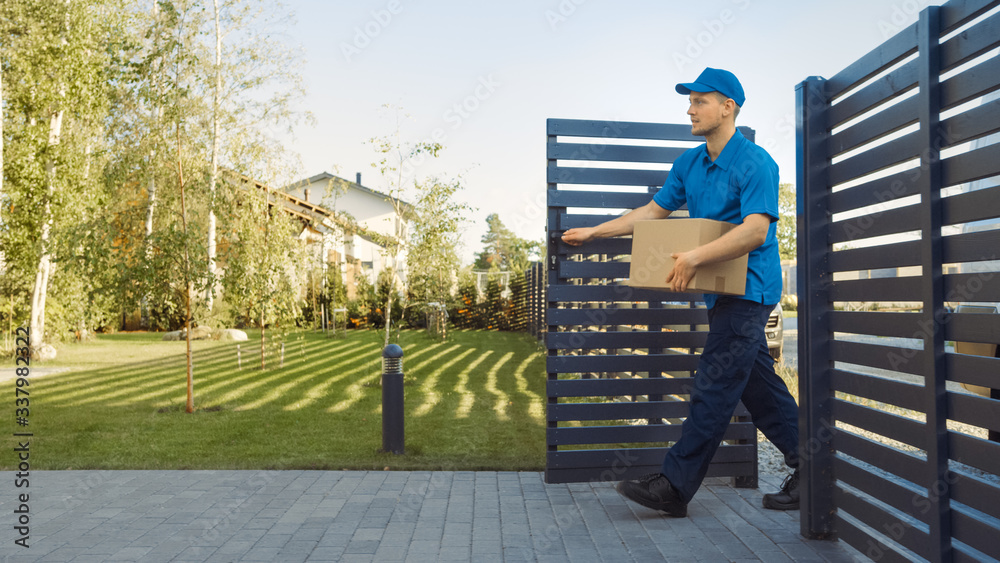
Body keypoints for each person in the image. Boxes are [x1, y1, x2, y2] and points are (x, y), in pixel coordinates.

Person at [561, 67, 800, 517]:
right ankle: (816, 468)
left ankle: (674, 486)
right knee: (756, 387)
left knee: (713, 385)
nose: (689, 108)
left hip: (751, 292)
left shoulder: (756, 163)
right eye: (689, 100)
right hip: (720, 291)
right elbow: (653, 212)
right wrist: (596, 232)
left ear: (728, 107)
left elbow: (754, 232)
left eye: (699, 100)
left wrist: (694, 258)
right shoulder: (689, 163)